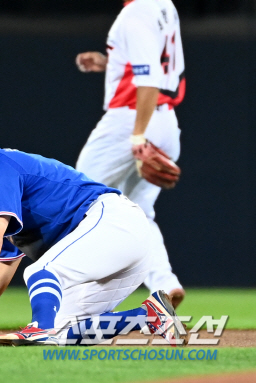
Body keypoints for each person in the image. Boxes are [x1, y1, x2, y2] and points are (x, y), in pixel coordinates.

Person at [0, 111, 183, 346]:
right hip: (125, 243)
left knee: (41, 271)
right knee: (63, 329)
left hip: (115, 222)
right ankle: (149, 316)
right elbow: (1, 270)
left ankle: (39, 328)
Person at [75, 0, 186, 308]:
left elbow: (149, 77)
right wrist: (109, 63)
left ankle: (79, 301)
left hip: (131, 120)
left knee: (76, 203)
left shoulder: (135, 12)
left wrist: (138, 135)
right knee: (140, 214)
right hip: (167, 119)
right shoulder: (164, 4)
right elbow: (153, 64)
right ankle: (164, 284)